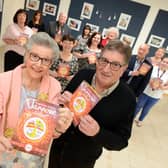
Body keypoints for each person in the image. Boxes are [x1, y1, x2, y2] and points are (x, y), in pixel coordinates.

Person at [48, 40, 136, 168]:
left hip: (83, 159)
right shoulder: (82, 75)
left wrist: (98, 132)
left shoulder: (127, 99)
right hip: (58, 146)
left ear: (124, 69)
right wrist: (61, 102)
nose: (106, 69)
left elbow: (121, 141)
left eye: (115, 65)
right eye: (104, 60)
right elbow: (59, 107)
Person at [0, 32, 73, 167]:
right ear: (25, 54)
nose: (39, 64)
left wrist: (59, 128)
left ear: (51, 63)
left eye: (46, 60)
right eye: (34, 56)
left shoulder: (54, 86)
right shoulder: (3, 81)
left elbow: (49, 132)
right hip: (3, 153)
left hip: (31, 159)